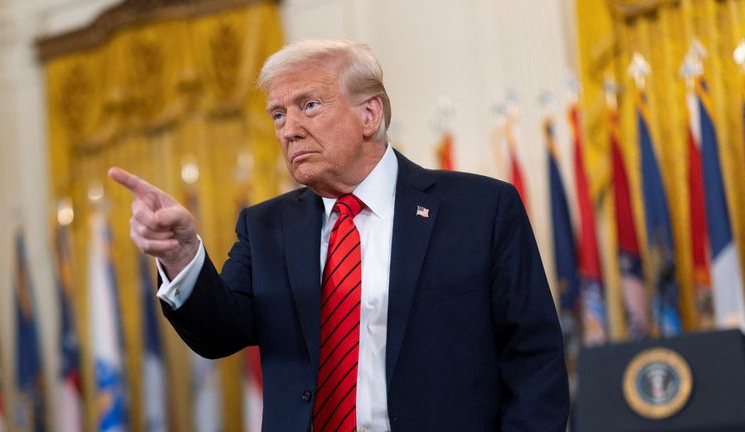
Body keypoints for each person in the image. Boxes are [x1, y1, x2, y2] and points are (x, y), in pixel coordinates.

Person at [109, 39, 568, 431]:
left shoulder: (480, 209)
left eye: (308, 105)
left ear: (370, 115)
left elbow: (533, 360)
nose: (289, 129)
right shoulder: (266, 227)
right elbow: (218, 332)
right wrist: (183, 255)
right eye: (277, 115)